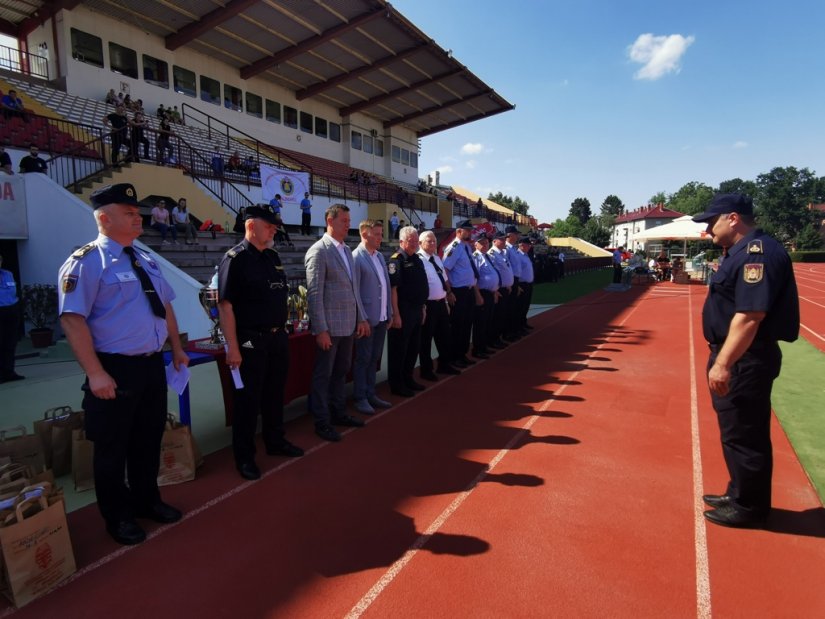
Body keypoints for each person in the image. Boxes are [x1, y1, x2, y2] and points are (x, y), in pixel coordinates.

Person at [58, 183, 188, 545]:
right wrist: (95, 372)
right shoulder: (86, 261)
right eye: (129, 212)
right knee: (112, 447)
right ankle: (118, 517)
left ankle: (148, 500)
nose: (138, 217)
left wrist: (175, 347)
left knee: (148, 439)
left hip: (150, 365)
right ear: (104, 218)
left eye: (136, 212)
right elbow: (72, 319)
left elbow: (166, 307)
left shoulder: (145, 258)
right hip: (113, 368)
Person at [693, 193, 799, 529]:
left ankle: (749, 506)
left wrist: (723, 363)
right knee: (736, 429)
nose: (708, 229)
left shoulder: (758, 254)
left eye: (712, 222)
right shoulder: (741, 252)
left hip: (744, 357)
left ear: (733, 218)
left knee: (744, 432)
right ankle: (738, 490)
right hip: (740, 355)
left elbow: (751, 315)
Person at [217, 205, 304, 481]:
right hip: (251, 340)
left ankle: (275, 441)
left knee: (274, 394)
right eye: (269, 225)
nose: (274, 229)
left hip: (277, 337)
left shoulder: (272, 256)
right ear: (252, 226)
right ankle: (244, 457)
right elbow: (226, 306)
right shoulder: (235, 259)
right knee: (248, 401)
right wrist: (232, 346)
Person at [304, 204, 370, 442]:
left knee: (341, 372)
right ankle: (322, 422)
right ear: (329, 221)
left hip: (348, 326)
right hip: (330, 328)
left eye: (349, 220)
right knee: (324, 375)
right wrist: (320, 329)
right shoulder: (319, 251)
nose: (348, 224)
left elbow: (354, 290)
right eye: (344, 220)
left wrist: (361, 318)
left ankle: (338, 413)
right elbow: (314, 294)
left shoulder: (345, 250)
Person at [352, 220, 393, 414]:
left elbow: (385, 285)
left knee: (374, 357)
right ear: (365, 234)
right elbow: (355, 292)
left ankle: (370, 393)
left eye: (381, 234)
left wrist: (389, 312)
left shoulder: (379, 256)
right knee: (363, 358)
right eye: (377, 234)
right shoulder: (356, 257)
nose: (380, 238)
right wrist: (362, 318)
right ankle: (360, 397)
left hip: (381, 317)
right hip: (367, 319)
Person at [387, 226, 429, 396]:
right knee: (399, 349)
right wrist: (396, 314)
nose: (414, 243)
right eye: (410, 241)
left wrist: (423, 307)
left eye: (415, 240)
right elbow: (393, 290)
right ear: (402, 241)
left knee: (413, 347)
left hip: (417, 310)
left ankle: (408, 378)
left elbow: (421, 286)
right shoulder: (396, 260)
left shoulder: (418, 259)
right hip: (403, 311)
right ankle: (397, 385)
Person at [417, 230, 460, 380]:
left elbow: (444, 278)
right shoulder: (419, 260)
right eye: (429, 241)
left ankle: (444, 364)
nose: (433, 243)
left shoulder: (436, 258)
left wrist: (448, 294)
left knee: (444, 336)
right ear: (420, 243)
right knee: (426, 339)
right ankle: (426, 370)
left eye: (434, 241)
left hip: (441, 302)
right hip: (428, 305)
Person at [442, 220, 483, 367]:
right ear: (458, 231)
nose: (470, 232)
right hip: (458, 291)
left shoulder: (466, 247)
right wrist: (449, 291)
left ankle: (462, 353)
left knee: (467, 324)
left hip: (469, 290)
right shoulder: (453, 247)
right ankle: (454, 356)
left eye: (470, 230)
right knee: (458, 325)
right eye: (467, 230)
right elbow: (445, 270)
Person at [471, 234, 501, 359]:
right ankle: (478, 349)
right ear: (476, 244)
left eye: (486, 243)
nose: (485, 245)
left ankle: (484, 346)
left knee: (488, 321)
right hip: (482, 293)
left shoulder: (486, 256)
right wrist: (478, 295)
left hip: (490, 293)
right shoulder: (476, 257)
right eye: (482, 243)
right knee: (480, 323)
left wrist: (494, 291)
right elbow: (474, 279)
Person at [487, 231, 514, 348]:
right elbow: (493, 273)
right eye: (501, 239)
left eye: (504, 239)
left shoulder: (503, 253)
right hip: (498, 290)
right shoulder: (492, 254)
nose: (504, 242)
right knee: (497, 316)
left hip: (505, 288)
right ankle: (494, 340)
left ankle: (498, 337)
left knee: (502, 315)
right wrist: (497, 288)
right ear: (494, 241)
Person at [0, 254, 23, 383]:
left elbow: (14, 290)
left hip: (11, 310)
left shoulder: (8, 274)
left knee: (10, 344)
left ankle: (9, 372)